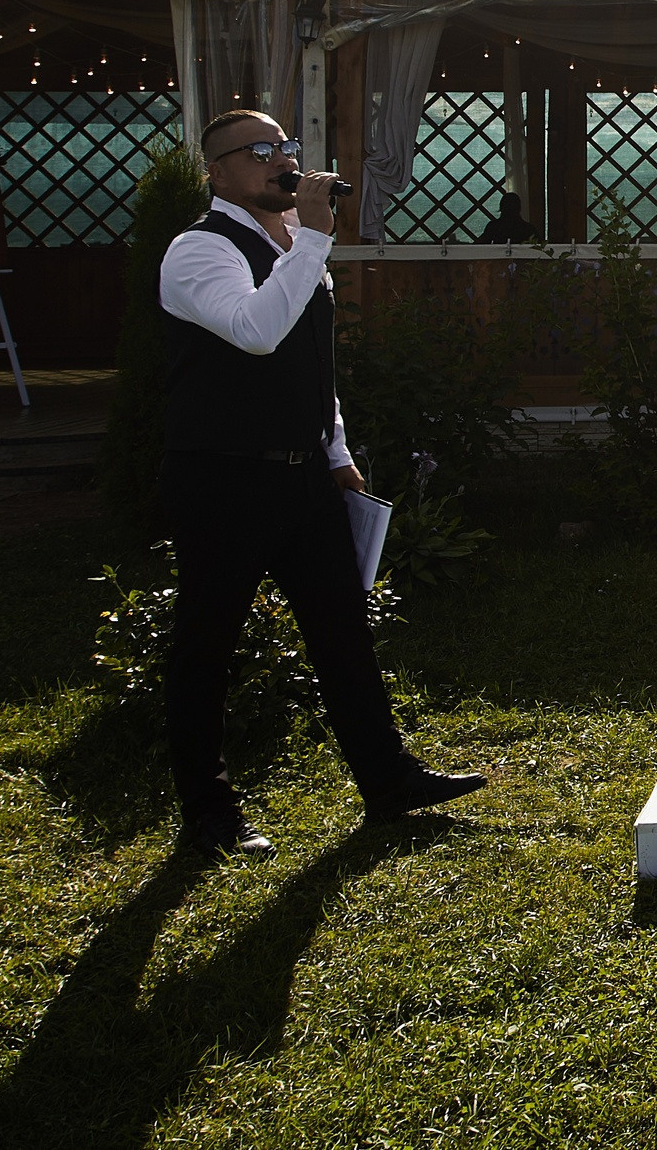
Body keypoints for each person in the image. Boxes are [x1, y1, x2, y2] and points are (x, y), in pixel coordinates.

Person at [159, 109, 485, 857]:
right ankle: (208, 815)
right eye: (260, 152)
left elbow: (310, 363)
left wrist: (335, 450)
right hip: (222, 479)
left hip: (303, 478)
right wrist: (310, 239)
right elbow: (256, 331)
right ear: (217, 171)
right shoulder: (198, 250)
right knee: (207, 645)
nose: (283, 162)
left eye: (288, 148)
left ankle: (388, 780)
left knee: (341, 632)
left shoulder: (295, 245)